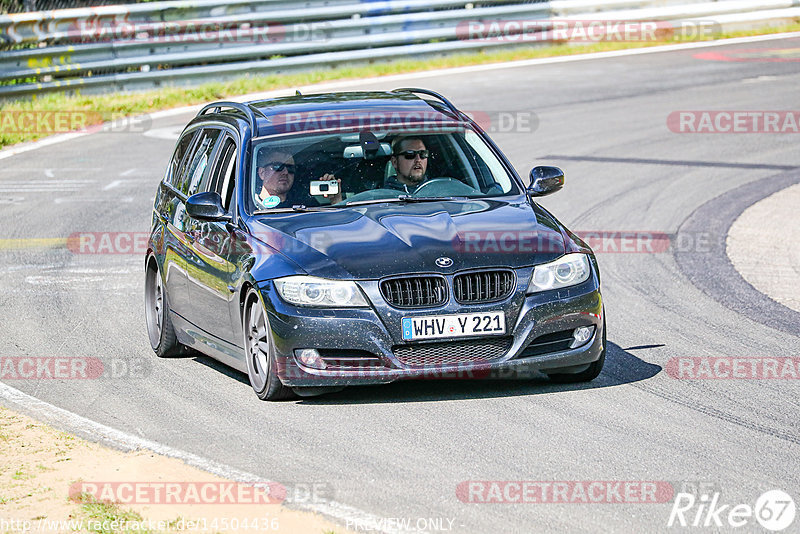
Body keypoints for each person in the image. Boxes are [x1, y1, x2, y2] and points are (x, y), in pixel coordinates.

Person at [256, 149, 341, 209]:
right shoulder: (249, 207)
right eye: (278, 167)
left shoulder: (304, 203)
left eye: (290, 168)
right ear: (262, 173)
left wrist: (336, 200)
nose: (285, 172)